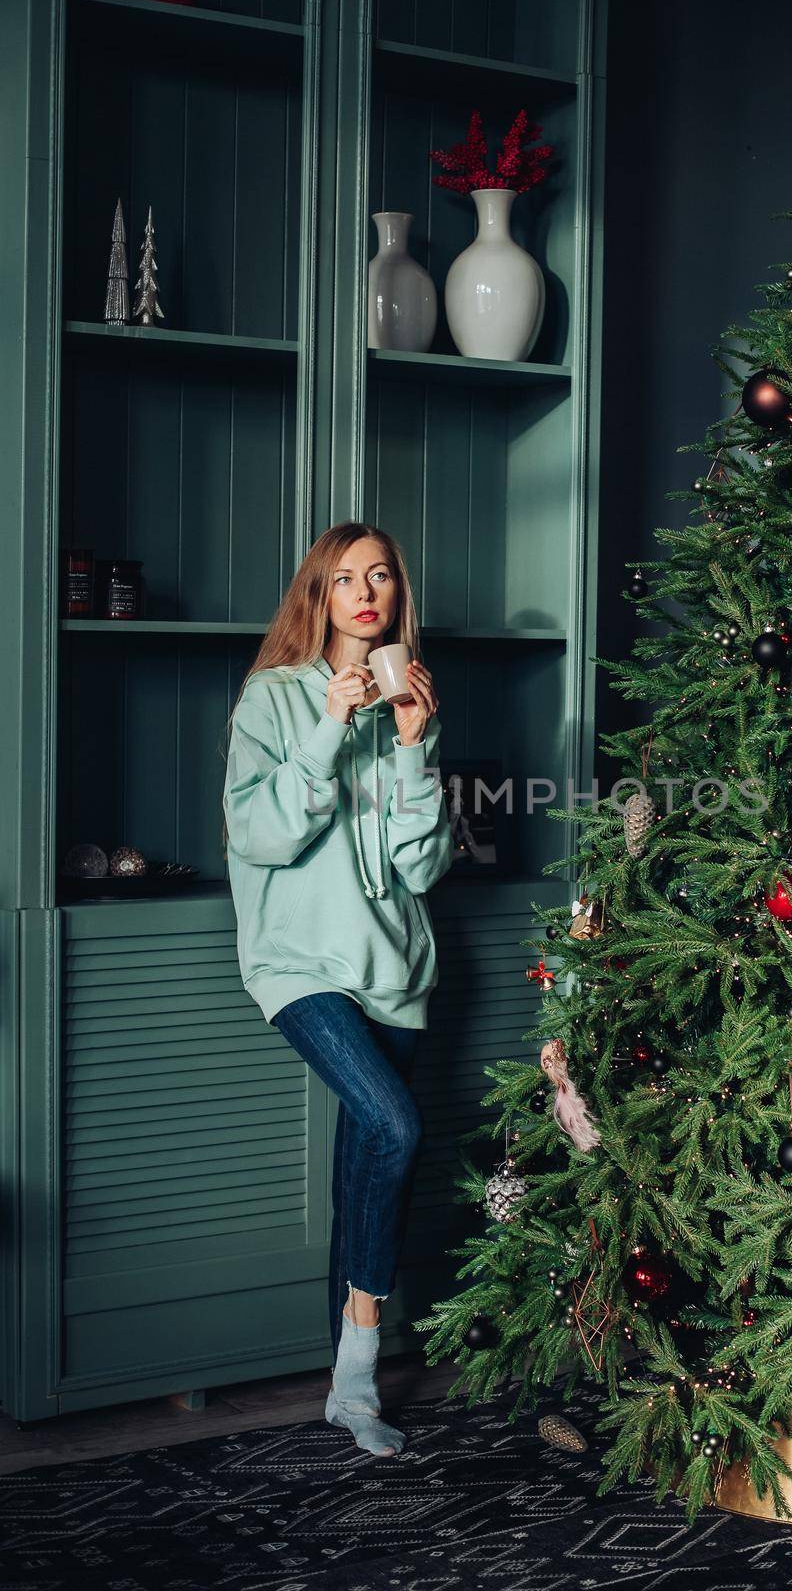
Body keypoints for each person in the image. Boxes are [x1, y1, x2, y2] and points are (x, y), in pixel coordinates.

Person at [221, 523, 454, 1457]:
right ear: (317, 595)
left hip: (394, 967)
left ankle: (345, 1388)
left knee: (367, 1163)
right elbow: (261, 837)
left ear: (398, 594)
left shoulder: (411, 698)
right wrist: (328, 724)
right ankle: (358, 1374)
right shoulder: (273, 699)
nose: (366, 593)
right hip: (297, 966)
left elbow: (422, 866)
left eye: (382, 576)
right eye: (344, 579)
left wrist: (411, 746)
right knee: (396, 1127)